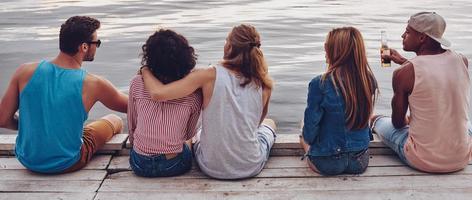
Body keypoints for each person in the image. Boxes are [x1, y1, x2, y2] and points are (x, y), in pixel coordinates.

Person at [141, 24, 276, 179]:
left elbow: (158, 94)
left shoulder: (208, 75)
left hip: (210, 167)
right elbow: (255, 125)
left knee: (197, 133)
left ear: (230, 47)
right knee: (269, 123)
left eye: (226, 41)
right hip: (250, 166)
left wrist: (145, 70)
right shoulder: (265, 84)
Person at [0, 16, 127, 173]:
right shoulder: (93, 83)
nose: (97, 47)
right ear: (84, 47)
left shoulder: (24, 71)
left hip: (28, 159)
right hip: (68, 162)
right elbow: (133, 105)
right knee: (115, 120)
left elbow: (3, 119)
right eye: (97, 43)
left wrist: (31, 125)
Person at [371, 12, 472, 173]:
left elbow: (398, 123)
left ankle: (374, 120)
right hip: (462, 157)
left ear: (422, 38)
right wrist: (404, 61)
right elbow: (434, 74)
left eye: (408, 31)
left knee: (377, 119)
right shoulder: (462, 61)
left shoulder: (404, 73)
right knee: (466, 123)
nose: (402, 35)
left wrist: (411, 119)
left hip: (424, 159)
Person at [300, 27, 379, 176]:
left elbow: (310, 133)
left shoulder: (319, 84)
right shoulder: (368, 80)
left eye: (326, 47)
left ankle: (311, 154)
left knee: (303, 127)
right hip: (359, 162)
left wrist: (306, 136)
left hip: (327, 164)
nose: (325, 50)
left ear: (334, 52)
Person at [128, 29, 202, 177]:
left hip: (139, 163)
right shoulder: (194, 92)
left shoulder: (137, 83)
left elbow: (132, 125)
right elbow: (189, 133)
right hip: (173, 164)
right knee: (186, 143)